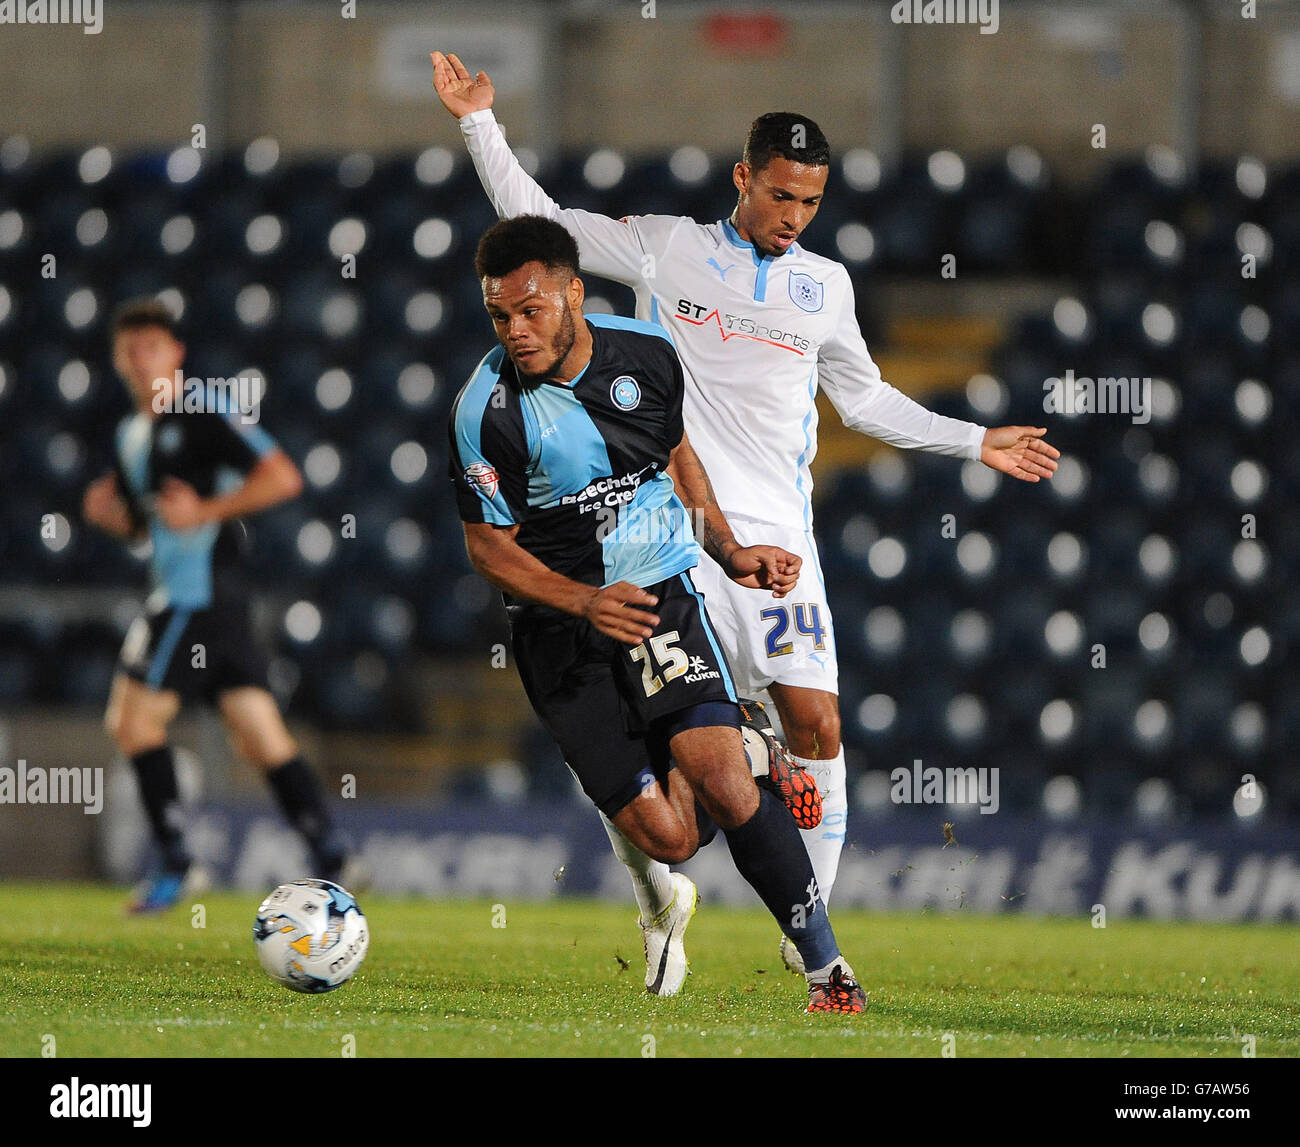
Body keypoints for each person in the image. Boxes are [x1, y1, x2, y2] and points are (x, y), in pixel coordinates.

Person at [432, 50, 1059, 983]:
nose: (792, 216)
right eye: (778, 196)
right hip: (664, 539)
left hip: (773, 535)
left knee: (819, 726)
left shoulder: (826, 289)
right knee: (668, 774)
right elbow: (541, 228)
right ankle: (663, 905)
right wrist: (479, 123)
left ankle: (809, 918)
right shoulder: (667, 248)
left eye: (809, 202)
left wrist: (975, 441)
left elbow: (868, 401)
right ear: (743, 179)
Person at [449, 214, 864, 1012]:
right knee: (672, 835)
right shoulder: (485, 410)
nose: (516, 330)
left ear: (574, 293)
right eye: (500, 315)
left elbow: (679, 461)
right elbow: (490, 549)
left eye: (531, 310)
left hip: (659, 592)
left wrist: (731, 551)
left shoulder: (645, 358)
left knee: (726, 784)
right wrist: (582, 599)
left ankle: (828, 971)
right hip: (559, 631)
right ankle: (710, 800)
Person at [83, 298, 354, 913]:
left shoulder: (203, 415)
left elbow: (283, 477)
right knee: (260, 735)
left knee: (131, 722)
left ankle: (178, 862)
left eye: (151, 347)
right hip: (217, 606)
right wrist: (115, 520)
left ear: (176, 354)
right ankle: (333, 852)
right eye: (128, 350)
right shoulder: (131, 435)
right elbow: (148, 525)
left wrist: (203, 511)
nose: (138, 361)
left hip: (192, 598)